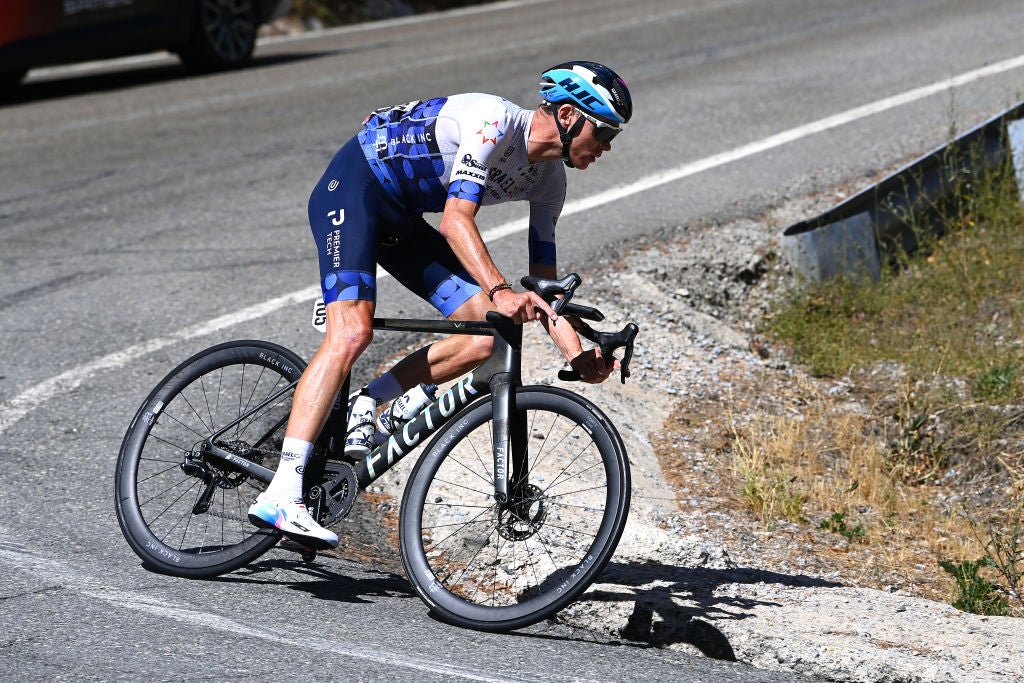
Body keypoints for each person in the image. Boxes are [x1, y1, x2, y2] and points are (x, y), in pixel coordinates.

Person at [248, 61, 633, 549]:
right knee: (351, 333)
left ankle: (370, 400)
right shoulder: (495, 123)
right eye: (603, 131)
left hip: (401, 218)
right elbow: (455, 221)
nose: (607, 146)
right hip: (355, 188)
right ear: (567, 115)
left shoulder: (550, 183)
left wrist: (578, 356)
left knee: (484, 333)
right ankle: (282, 492)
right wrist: (499, 290)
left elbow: (545, 289)